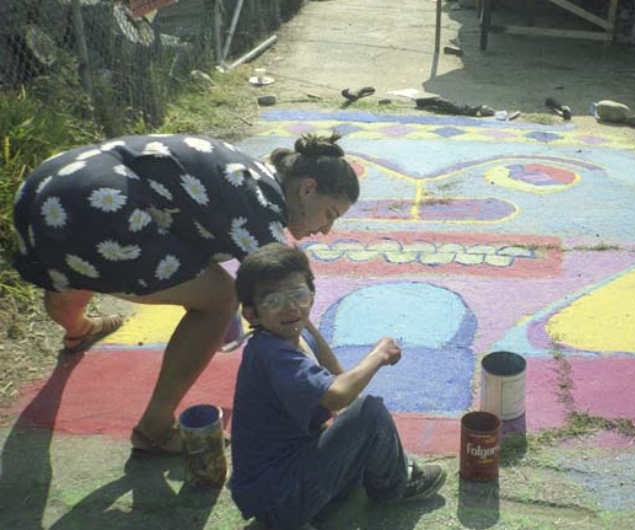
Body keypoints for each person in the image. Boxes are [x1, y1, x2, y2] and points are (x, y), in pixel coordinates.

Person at [12, 132, 358, 454]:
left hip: (48, 185)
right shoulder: (262, 210)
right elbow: (291, 316)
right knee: (220, 298)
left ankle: (78, 329)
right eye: (330, 214)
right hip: (99, 205)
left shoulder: (250, 171)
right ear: (307, 189)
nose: (327, 229)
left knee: (75, 265)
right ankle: (155, 429)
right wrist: (338, 391)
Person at [230, 243, 447, 530]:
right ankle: (395, 487)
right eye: (273, 301)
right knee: (370, 412)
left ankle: (318, 508)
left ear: (311, 294)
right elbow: (338, 395)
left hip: (281, 485)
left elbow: (336, 376)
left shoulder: (293, 328)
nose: (291, 307)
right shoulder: (271, 352)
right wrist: (379, 354)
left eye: (299, 295)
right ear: (252, 315)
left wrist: (308, 326)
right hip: (279, 498)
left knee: (357, 423)